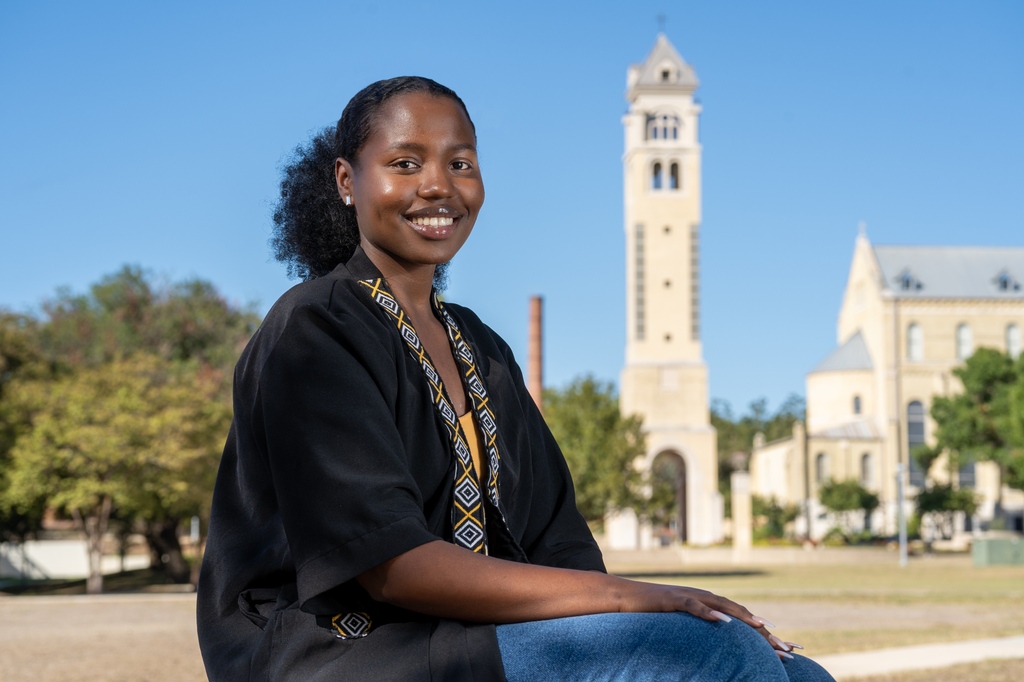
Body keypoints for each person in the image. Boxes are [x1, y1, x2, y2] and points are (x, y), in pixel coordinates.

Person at [196, 76, 835, 682]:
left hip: (461, 633)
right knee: (713, 652)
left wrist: (635, 607)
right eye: (405, 163)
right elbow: (389, 567)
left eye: (460, 163)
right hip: (343, 649)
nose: (438, 186)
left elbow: (557, 540)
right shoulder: (314, 328)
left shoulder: (480, 347)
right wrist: (633, 599)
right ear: (346, 180)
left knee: (793, 671)